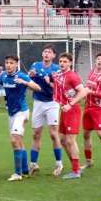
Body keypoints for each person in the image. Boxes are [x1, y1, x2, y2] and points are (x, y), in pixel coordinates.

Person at [0, 55, 41, 181]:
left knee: (14, 140)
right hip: (11, 113)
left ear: (17, 64)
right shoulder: (4, 76)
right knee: (19, 142)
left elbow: (38, 88)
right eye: (7, 63)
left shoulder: (21, 76)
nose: (8, 65)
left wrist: (25, 82)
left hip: (21, 112)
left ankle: (18, 173)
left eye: (11, 63)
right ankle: (25, 169)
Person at [27, 45, 63, 176]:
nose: (46, 54)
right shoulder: (35, 65)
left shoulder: (57, 69)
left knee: (54, 134)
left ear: (53, 56)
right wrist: (29, 77)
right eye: (45, 52)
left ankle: (59, 164)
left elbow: (59, 88)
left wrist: (48, 82)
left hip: (52, 103)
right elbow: (30, 84)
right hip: (38, 103)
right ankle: (33, 164)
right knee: (36, 134)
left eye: (49, 52)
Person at [52, 53, 88, 180]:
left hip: (72, 110)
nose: (62, 63)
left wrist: (70, 104)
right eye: (60, 61)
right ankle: (76, 167)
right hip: (65, 110)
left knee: (70, 140)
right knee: (62, 140)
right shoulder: (60, 75)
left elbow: (83, 91)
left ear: (70, 63)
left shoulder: (72, 76)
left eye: (65, 61)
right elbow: (61, 89)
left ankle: (76, 171)